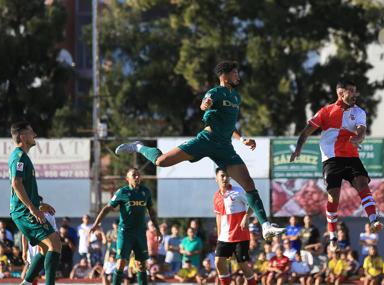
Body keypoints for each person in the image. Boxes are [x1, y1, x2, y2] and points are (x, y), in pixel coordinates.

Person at [114, 61, 284, 240]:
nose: (238, 76)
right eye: (235, 73)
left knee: (249, 184)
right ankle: (140, 146)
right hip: (206, 140)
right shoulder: (215, 92)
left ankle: (265, 226)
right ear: (224, 76)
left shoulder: (236, 97)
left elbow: (229, 124)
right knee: (161, 162)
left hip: (225, 147)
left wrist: (242, 139)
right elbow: (204, 104)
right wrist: (205, 104)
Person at [290, 79, 383, 249]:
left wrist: (358, 138)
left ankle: (373, 219)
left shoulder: (359, 112)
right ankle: (332, 233)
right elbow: (307, 131)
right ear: (341, 93)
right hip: (331, 158)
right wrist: (298, 148)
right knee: (334, 196)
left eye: (356, 91)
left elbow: (362, 131)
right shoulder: (326, 111)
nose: (354, 95)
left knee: (362, 182)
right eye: (351, 91)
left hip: (351, 156)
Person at [8, 121, 61, 285]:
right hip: (24, 212)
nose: (35, 134)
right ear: (22, 136)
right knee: (55, 244)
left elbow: (25, 187)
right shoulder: (19, 157)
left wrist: (39, 205)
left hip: (25, 211)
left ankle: (26, 283)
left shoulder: (23, 157)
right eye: (31, 132)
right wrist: (33, 209)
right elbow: (16, 183)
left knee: (45, 249)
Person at [90, 168, 161, 285]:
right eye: (134, 175)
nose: (137, 177)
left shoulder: (145, 192)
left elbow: (151, 212)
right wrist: (96, 223)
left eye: (138, 175)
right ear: (127, 179)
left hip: (140, 233)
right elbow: (107, 208)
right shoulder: (122, 192)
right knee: (121, 262)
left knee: (142, 265)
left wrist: (157, 229)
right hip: (125, 232)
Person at [212, 168, 257, 285]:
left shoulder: (238, 191)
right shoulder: (216, 196)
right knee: (218, 262)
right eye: (222, 176)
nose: (225, 178)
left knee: (242, 265)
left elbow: (254, 203)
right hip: (224, 237)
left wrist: (246, 216)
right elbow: (218, 217)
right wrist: (219, 236)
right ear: (216, 179)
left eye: (227, 176)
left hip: (240, 235)